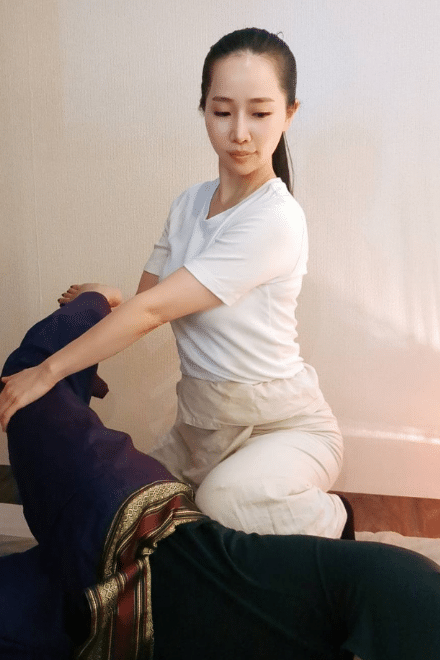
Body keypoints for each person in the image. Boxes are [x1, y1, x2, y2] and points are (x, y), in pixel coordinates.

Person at [0, 28, 347, 538]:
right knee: (122, 513)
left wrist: (46, 372)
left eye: (260, 113)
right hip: (200, 430)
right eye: (223, 111)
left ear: (289, 114)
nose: (240, 133)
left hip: (282, 429)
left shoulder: (276, 218)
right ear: (204, 108)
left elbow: (152, 313)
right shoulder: (188, 204)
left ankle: (338, 523)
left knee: (224, 502)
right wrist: (107, 298)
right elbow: (146, 302)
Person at [1, 292, 440, 660]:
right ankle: (94, 304)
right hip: (130, 528)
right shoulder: (413, 595)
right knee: (26, 389)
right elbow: (392, 582)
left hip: (95, 632)